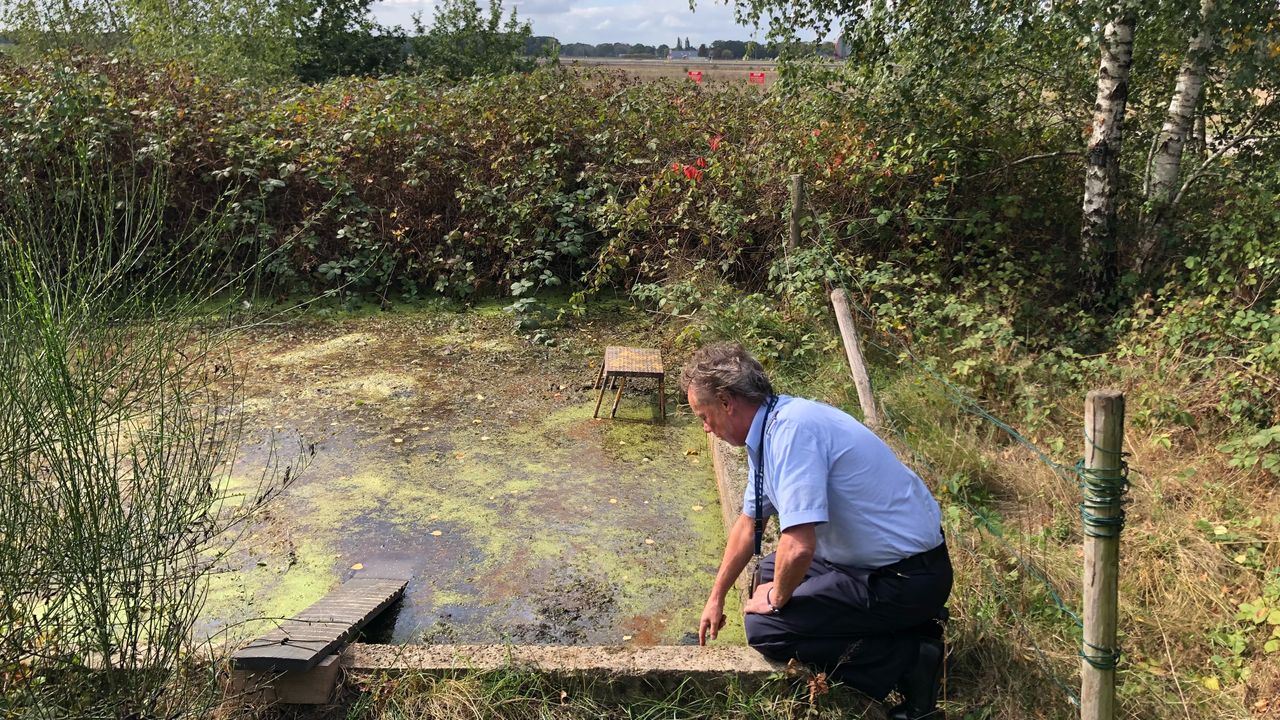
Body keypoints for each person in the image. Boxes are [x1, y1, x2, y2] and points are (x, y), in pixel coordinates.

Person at [682, 342, 952, 720]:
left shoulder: (792, 433)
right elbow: (749, 523)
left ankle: (910, 658)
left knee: (765, 628)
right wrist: (716, 597)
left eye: (703, 416)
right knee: (765, 571)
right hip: (872, 561)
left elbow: (799, 546)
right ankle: (900, 633)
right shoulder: (773, 426)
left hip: (906, 577)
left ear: (726, 401)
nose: (706, 429)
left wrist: (776, 598)